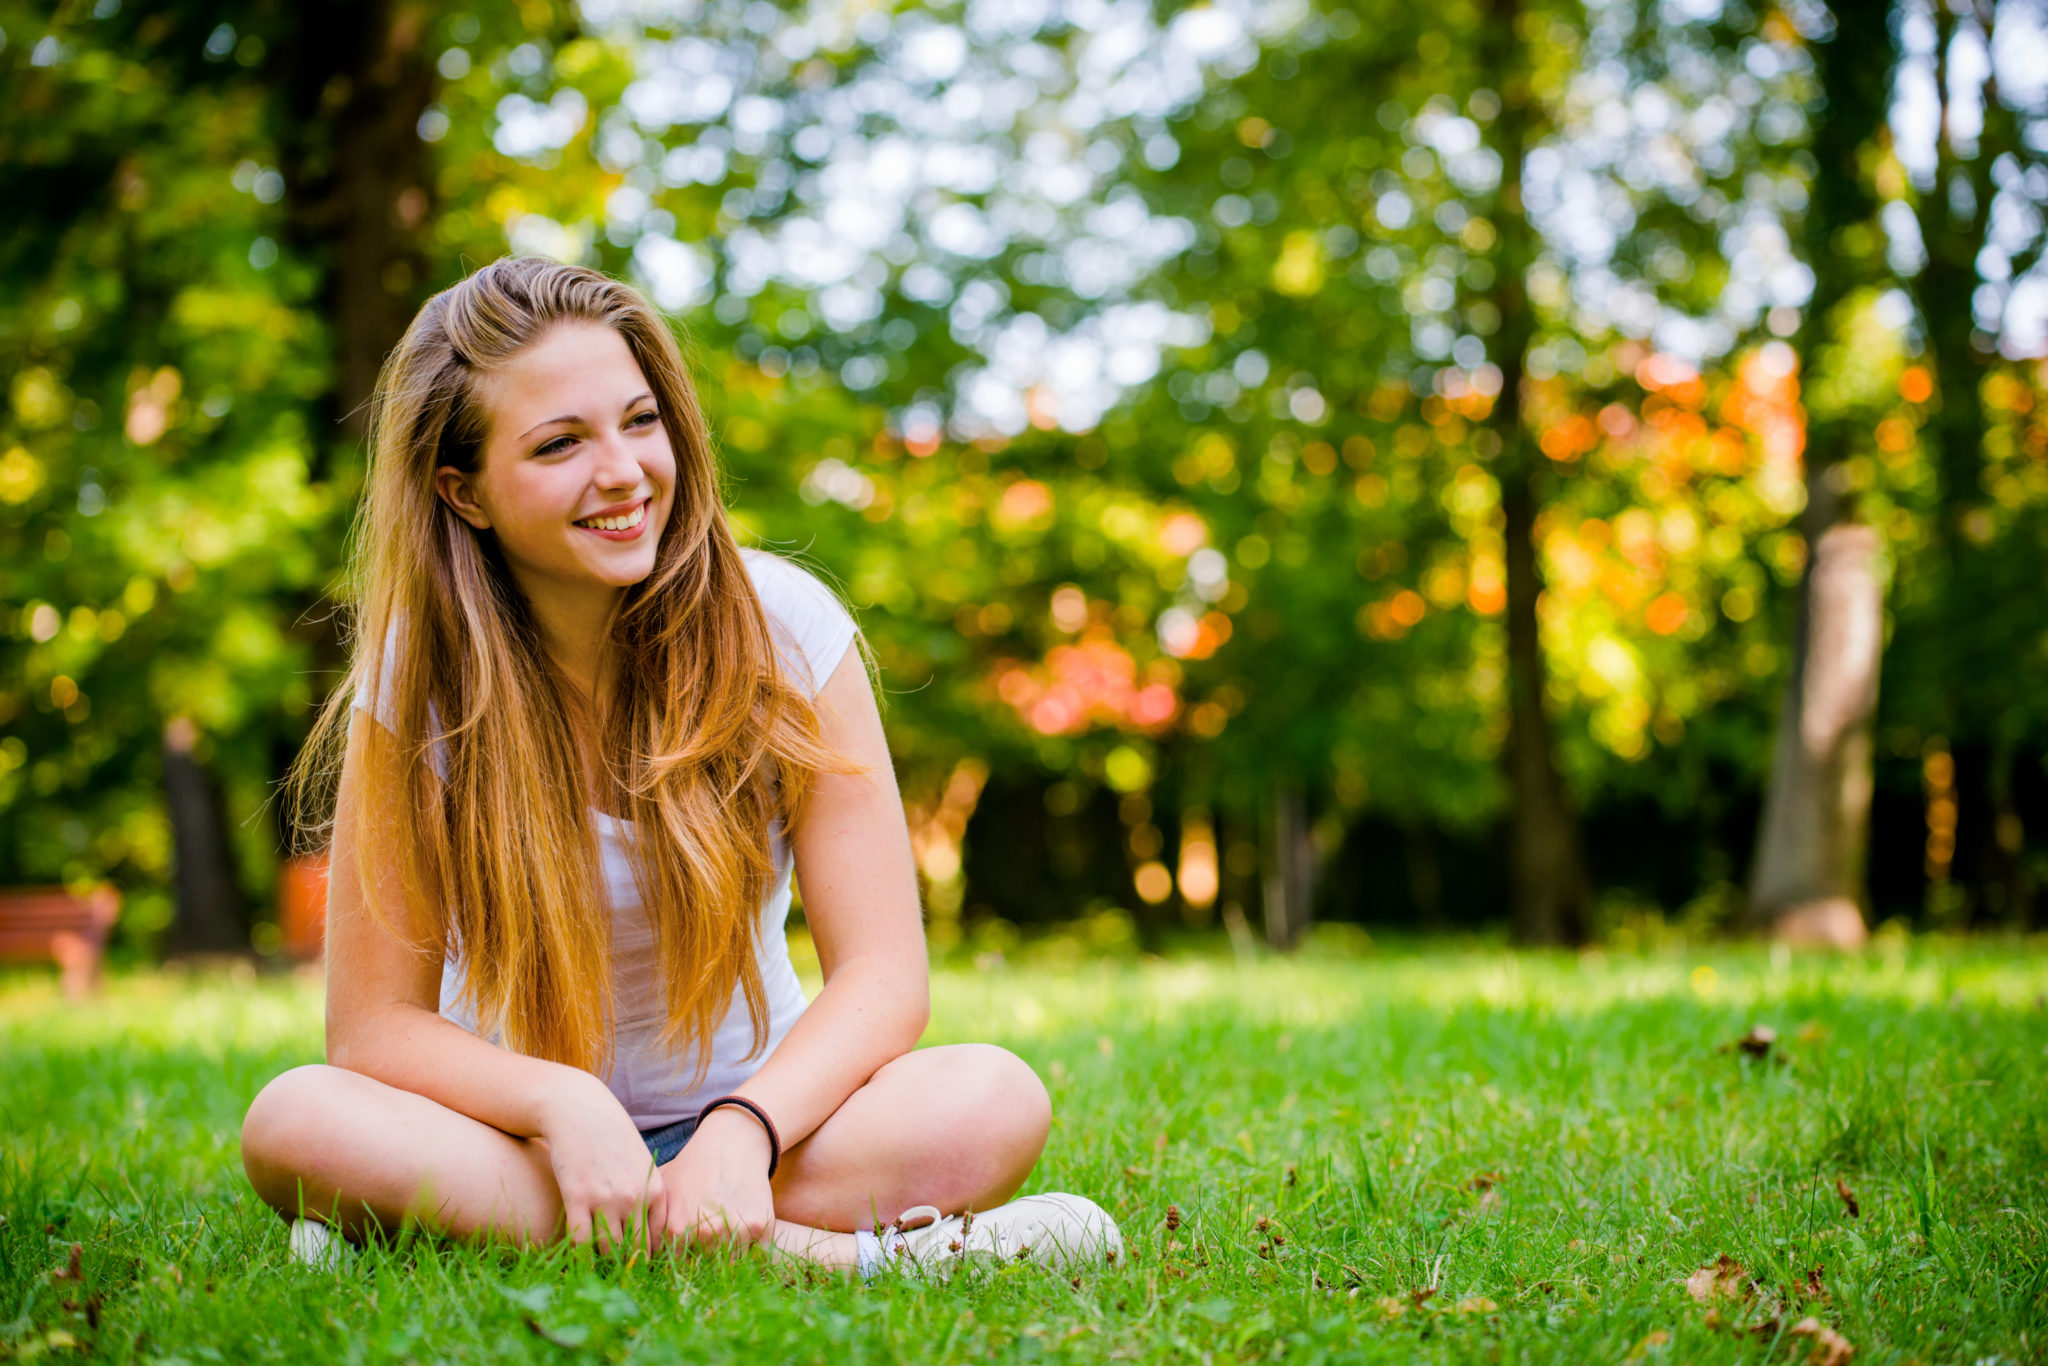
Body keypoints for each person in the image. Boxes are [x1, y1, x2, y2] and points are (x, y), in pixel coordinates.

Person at [239, 256, 1122, 1278]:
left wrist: (741, 1134)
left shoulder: (788, 629)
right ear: (463, 491)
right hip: (523, 1139)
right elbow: (371, 1030)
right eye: (561, 442)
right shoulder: (420, 681)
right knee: (297, 1117)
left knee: (992, 1095)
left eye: (639, 420)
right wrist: (560, 1102)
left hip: (772, 1126)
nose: (621, 470)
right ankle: (826, 1257)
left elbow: (884, 978)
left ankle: (489, 1230)